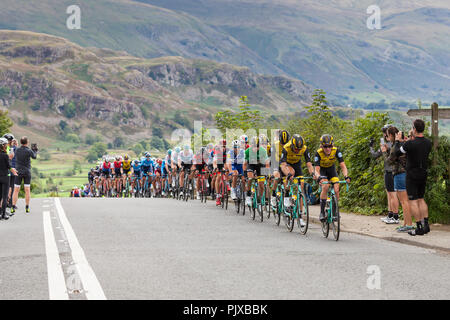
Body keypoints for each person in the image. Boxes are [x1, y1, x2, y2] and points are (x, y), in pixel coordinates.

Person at [393, 119, 432, 236]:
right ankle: (426, 225)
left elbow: (397, 153)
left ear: (414, 129)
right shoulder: (428, 143)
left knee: (413, 201)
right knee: (421, 199)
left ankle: (419, 227)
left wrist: (399, 141)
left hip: (412, 175)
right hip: (423, 173)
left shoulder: (410, 144)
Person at [314, 134, 350, 222]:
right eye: (325, 146)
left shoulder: (336, 150)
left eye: (330, 146)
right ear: (321, 146)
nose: (327, 149)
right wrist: (318, 177)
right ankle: (322, 212)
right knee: (325, 187)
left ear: (332, 145)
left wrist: (346, 176)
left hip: (331, 170)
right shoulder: (318, 153)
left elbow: (343, 166)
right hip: (322, 172)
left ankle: (335, 211)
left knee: (336, 189)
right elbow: (316, 170)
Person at [385, 126, 412, 231]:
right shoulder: (401, 144)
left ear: (392, 135)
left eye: (388, 135)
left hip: (400, 174)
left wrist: (396, 142)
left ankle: (408, 225)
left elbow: (390, 159)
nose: (387, 137)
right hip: (402, 174)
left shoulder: (398, 145)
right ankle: (405, 223)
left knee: (404, 201)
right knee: (404, 201)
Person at [370, 125, 399, 224]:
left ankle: (395, 216)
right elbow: (375, 155)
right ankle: (390, 214)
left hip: (391, 171)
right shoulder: (390, 144)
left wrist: (381, 150)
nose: (385, 135)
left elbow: (379, 156)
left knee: (393, 194)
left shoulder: (393, 145)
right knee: (389, 194)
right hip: (388, 171)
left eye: (386, 133)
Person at [11, 136, 37, 214]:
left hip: (18, 171)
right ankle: (27, 207)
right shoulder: (29, 151)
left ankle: (13, 207)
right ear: (27, 142)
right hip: (27, 172)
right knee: (27, 190)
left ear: (21, 142)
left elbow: (12, 152)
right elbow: (34, 157)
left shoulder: (17, 150)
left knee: (16, 190)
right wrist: (35, 150)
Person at [0, 138, 17, 220]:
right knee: (5, 196)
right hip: (5, 177)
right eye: (5, 144)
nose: (6, 146)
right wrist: (10, 158)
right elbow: (9, 166)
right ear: (3, 146)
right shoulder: (5, 155)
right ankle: (3, 214)